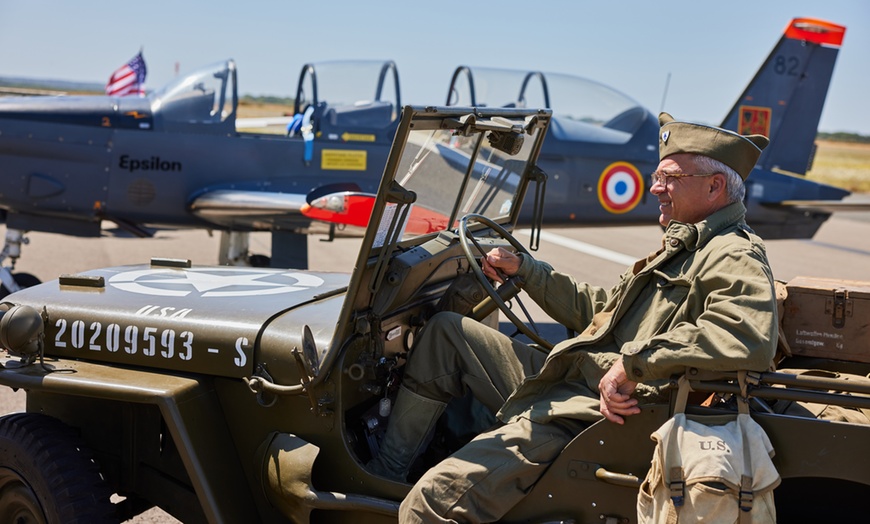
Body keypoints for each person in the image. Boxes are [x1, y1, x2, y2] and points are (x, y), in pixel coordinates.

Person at [373, 112, 778, 523]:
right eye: (657, 176)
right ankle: (385, 475)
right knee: (447, 333)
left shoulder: (732, 253)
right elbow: (599, 309)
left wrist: (636, 363)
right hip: (577, 378)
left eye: (671, 178)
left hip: (590, 413)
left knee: (429, 504)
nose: (656, 187)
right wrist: (526, 271)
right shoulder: (686, 243)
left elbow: (746, 335)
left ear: (715, 186)